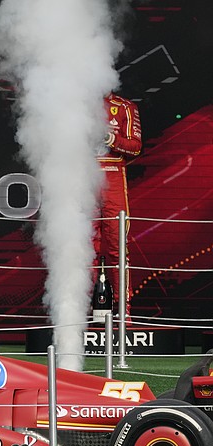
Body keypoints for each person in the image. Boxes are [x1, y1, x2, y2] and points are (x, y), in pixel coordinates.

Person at [95, 93, 142, 317]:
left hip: (113, 177)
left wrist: (110, 139)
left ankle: (124, 311)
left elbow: (135, 147)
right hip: (80, 177)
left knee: (117, 248)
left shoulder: (124, 107)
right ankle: (80, 309)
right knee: (82, 249)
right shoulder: (72, 101)